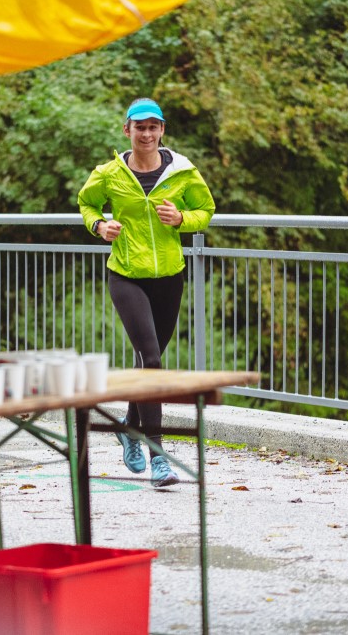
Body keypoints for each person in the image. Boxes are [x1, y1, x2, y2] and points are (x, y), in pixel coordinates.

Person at [77, 98, 216, 487]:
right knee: (151, 359)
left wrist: (183, 218)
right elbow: (86, 204)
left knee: (147, 364)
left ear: (162, 130)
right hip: (126, 275)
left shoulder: (182, 171)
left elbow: (206, 210)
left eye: (154, 127)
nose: (147, 133)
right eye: (140, 127)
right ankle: (159, 459)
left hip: (170, 276)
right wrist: (100, 226)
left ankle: (128, 426)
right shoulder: (109, 173)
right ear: (127, 130)